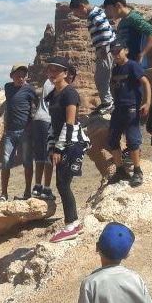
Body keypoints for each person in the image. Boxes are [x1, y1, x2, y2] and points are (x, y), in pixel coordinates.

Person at [45, 57, 90, 243]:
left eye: (57, 70)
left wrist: (58, 148)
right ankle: (72, 223)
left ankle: (72, 224)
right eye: (50, 69)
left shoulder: (70, 93)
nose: (52, 72)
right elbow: (53, 124)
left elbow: (70, 123)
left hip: (71, 144)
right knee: (62, 183)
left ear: (65, 73)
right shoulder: (52, 95)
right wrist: (50, 145)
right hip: (59, 143)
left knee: (63, 183)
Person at [107, 42, 151, 188]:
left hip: (131, 108)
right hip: (118, 108)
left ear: (125, 50)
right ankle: (120, 170)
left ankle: (137, 171)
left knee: (132, 140)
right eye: (113, 52)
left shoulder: (133, 65)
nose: (116, 54)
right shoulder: (115, 69)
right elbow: (113, 86)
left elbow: (146, 82)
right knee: (112, 139)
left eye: (118, 51)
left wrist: (147, 102)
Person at [69, 0, 117, 117]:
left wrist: (103, 49)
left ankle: (108, 103)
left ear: (82, 7)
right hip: (104, 49)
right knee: (102, 77)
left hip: (105, 50)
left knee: (102, 78)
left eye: (77, 13)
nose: (78, 16)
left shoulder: (94, 15)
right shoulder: (95, 13)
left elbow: (106, 31)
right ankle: (107, 102)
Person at [0, 64, 37, 202]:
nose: (20, 78)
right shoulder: (8, 87)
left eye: (23, 75)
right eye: (17, 75)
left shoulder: (30, 89)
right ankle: (4, 194)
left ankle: (27, 192)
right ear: (11, 76)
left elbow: (38, 105)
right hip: (10, 132)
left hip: (25, 132)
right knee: (5, 162)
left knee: (27, 161)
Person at [102, 0, 152, 69]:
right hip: (127, 65)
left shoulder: (133, 17)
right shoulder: (122, 22)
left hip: (137, 65)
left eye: (109, 9)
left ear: (118, 5)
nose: (107, 13)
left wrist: (142, 54)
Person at [30, 72, 55, 200]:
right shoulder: (56, 83)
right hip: (48, 120)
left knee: (39, 155)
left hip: (38, 119)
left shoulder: (47, 81)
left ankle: (37, 187)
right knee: (49, 155)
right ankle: (46, 189)